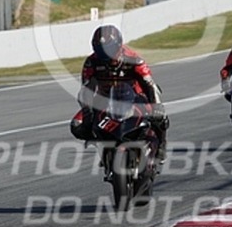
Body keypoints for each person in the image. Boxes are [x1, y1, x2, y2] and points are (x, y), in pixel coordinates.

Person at [70, 24, 169, 161]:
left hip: (135, 98)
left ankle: (161, 144)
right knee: (77, 125)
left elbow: (149, 84)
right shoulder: (91, 63)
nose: (105, 55)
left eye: (108, 50)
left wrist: (156, 105)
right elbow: (86, 90)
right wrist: (88, 113)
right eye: (100, 51)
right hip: (105, 100)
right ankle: (104, 146)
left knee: (160, 116)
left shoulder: (134, 60)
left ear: (118, 45)